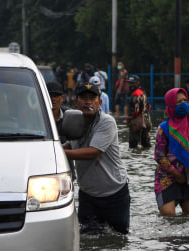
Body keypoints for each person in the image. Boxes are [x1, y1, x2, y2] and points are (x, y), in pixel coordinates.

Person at [64, 83, 130, 234]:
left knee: (118, 239)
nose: (88, 102)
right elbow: (71, 144)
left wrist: (60, 153)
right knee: (87, 239)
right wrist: (52, 149)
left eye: (92, 98)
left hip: (114, 193)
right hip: (88, 195)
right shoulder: (74, 121)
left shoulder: (106, 122)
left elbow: (93, 152)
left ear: (99, 102)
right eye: (83, 98)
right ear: (76, 102)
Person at [154, 88, 189, 216]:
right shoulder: (164, 128)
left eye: (185, 100)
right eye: (179, 102)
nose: (184, 103)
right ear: (171, 105)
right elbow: (159, 156)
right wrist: (177, 175)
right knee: (168, 217)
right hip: (167, 176)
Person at [126, 75, 151, 148]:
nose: (131, 85)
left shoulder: (135, 94)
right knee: (146, 144)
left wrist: (129, 118)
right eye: (130, 83)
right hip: (146, 119)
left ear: (138, 83)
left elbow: (135, 110)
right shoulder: (142, 92)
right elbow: (149, 106)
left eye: (133, 83)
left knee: (133, 144)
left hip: (136, 122)